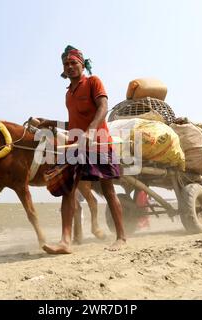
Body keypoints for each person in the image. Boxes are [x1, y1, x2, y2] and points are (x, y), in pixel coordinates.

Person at [38, 45, 126, 254]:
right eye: (66, 64)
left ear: (82, 64)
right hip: (76, 144)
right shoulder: (68, 94)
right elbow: (73, 123)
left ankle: (121, 237)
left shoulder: (93, 82)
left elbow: (103, 107)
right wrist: (50, 122)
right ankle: (65, 242)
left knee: (108, 190)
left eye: (73, 63)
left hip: (99, 142)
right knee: (68, 189)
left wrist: (90, 132)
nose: (69, 67)